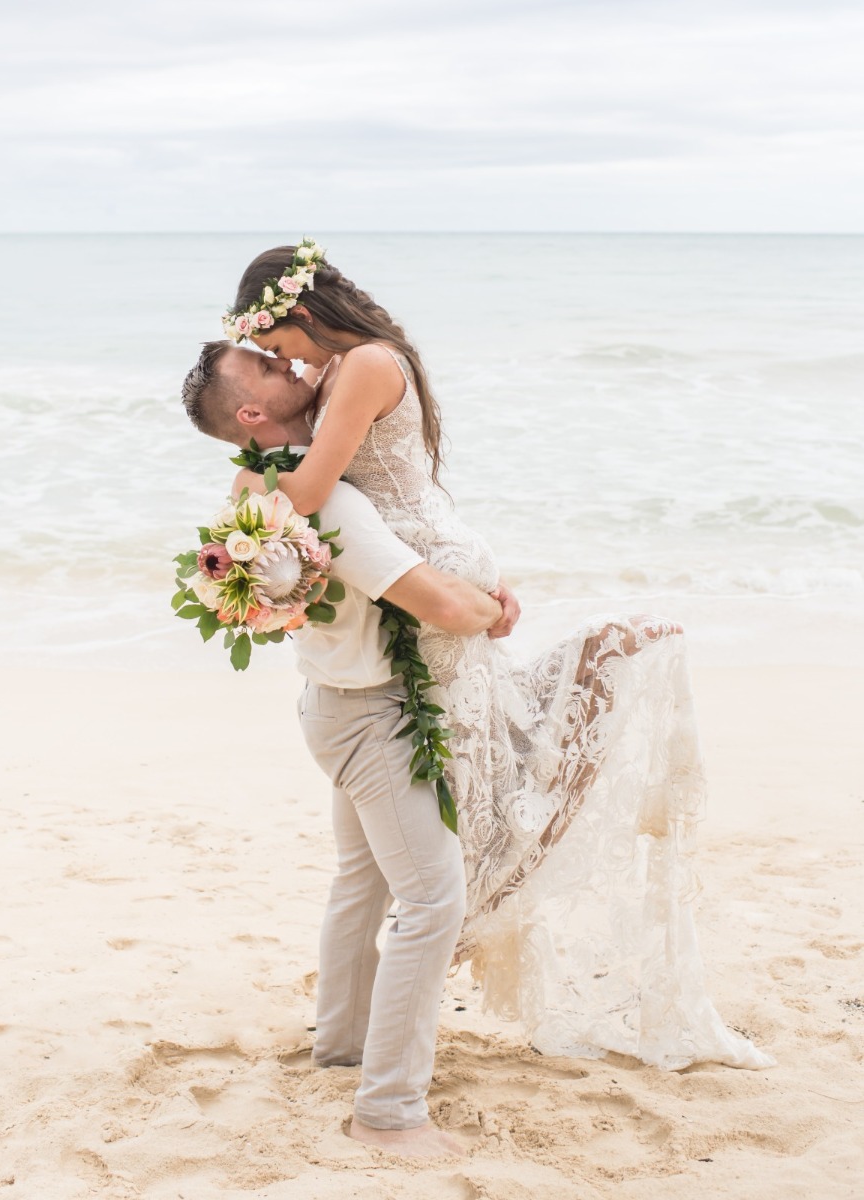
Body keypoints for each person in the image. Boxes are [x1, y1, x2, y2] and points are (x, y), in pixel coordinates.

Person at [215, 239, 775, 1073]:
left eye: (273, 342)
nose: (278, 360)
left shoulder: (364, 362)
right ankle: (352, 1049)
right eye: (265, 356)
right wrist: (254, 487)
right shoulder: (341, 373)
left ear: (297, 312)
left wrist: (246, 490)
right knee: (392, 864)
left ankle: (364, 1037)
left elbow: (315, 490)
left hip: (432, 597)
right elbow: (343, 493)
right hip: (427, 596)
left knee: (443, 828)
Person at [181, 341, 514, 1158]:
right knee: (433, 903)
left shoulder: (262, 493)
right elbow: (428, 598)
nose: (296, 367)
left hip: (331, 704)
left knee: (362, 881)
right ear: (253, 414)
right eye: (268, 368)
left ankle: (341, 1042)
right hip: (371, 717)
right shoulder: (320, 499)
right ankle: (388, 1114)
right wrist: (494, 610)